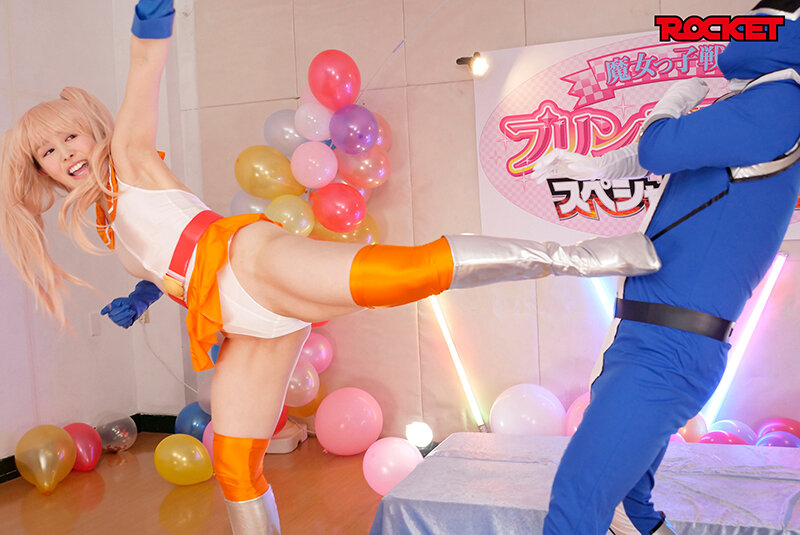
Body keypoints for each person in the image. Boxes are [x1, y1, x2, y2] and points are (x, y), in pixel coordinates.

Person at [0, 2, 660, 534]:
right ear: (41, 172)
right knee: (233, 462)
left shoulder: (131, 157)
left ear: (92, 131)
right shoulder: (105, 220)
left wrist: (152, 19)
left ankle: (580, 256)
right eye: (47, 153)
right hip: (238, 322)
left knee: (406, 274)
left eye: (69, 137)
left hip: (250, 265)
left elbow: (145, 69)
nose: (65, 154)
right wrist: (142, 298)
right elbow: (162, 259)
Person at [531, 2, 800, 533]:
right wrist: (599, 166)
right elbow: (674, 156)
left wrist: (674, 99)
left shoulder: (779, 103)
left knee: (577, 503)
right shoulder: (763, 102)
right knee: (629, 507)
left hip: (666, 346)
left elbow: (659, 147)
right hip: (654, 333)